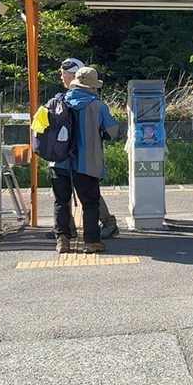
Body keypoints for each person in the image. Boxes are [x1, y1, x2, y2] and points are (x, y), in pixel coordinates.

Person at [49, 66, 119, 254]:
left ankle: (62, 241)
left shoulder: (58, 101)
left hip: (58, 162)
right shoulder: (97, 105)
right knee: (90, 203)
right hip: (86, 163)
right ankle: (91, 242)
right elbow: (112, 131)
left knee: (61, 202)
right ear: (92, 86)